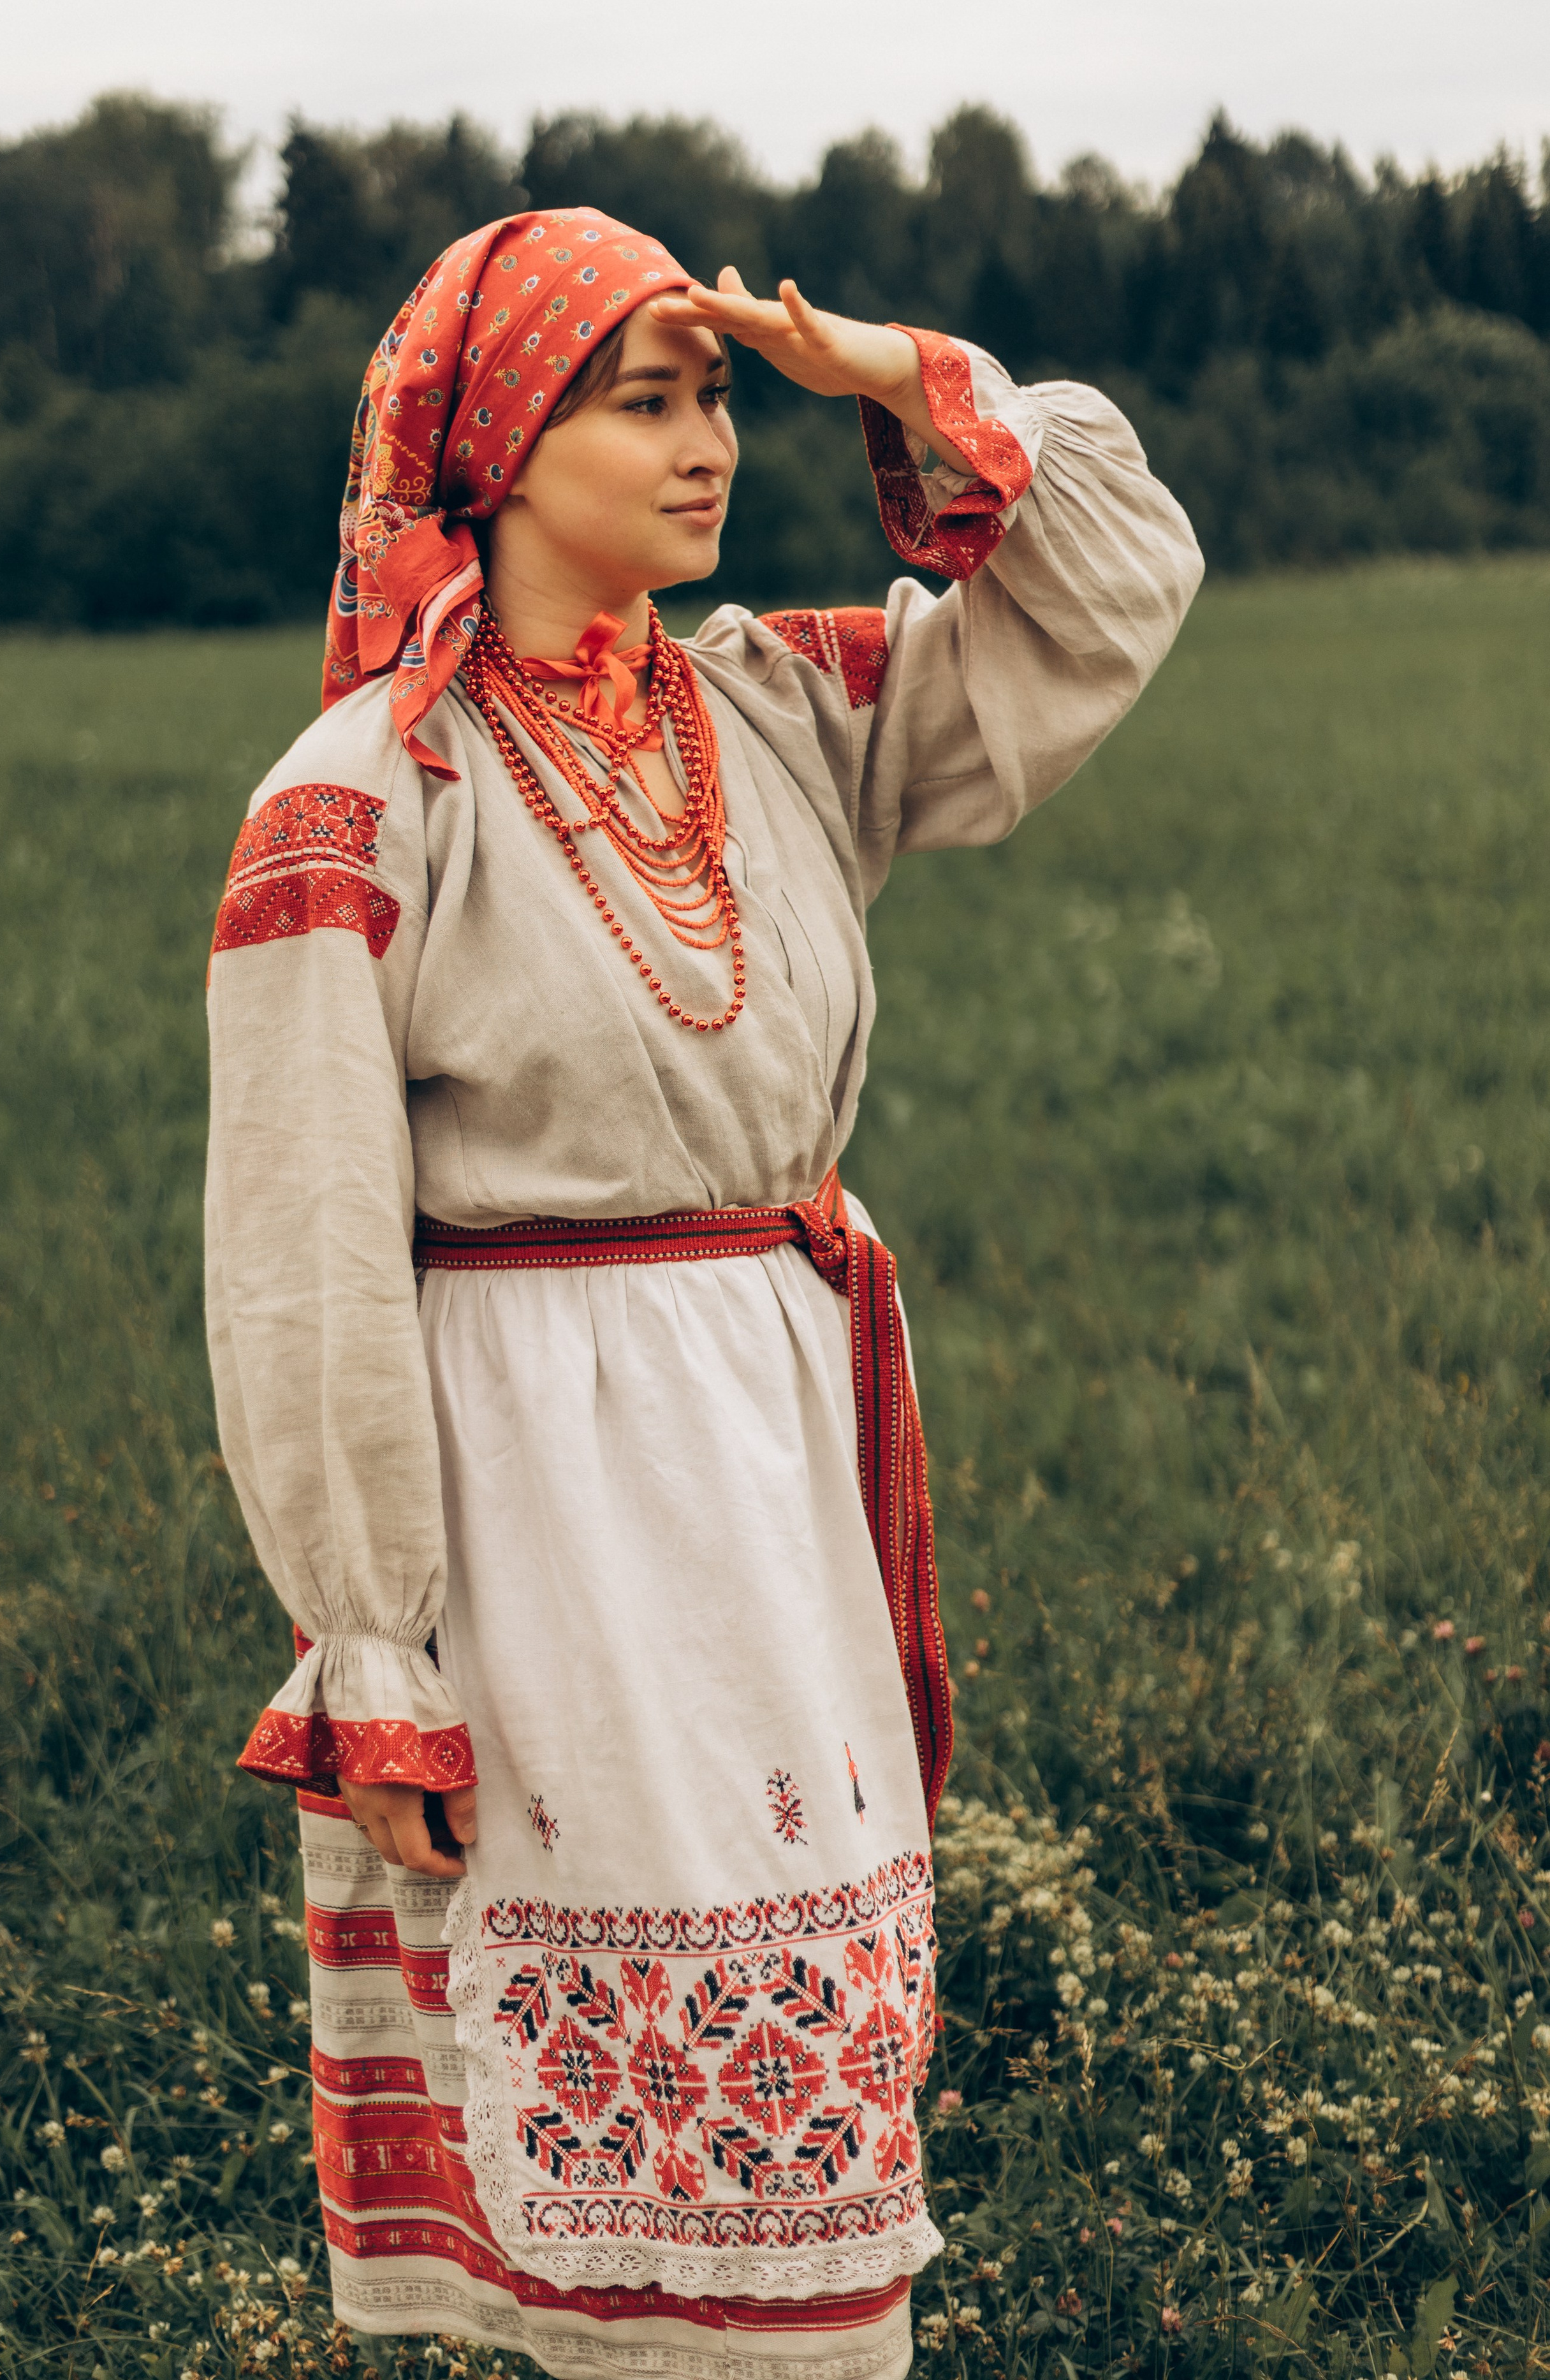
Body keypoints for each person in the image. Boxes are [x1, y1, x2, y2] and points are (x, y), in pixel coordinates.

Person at [205, 207, 1202, 2378]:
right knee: (603, 2135)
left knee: (812, 2052)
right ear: (489, 448)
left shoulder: (776, 710)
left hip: (769, 1431)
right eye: (637, 400)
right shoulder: (367, 798)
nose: (702, 445)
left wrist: (879, 370)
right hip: (537, 1486)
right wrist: (371, 1637)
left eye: (716, 396)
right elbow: (297, 1253)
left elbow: (1114, 591)